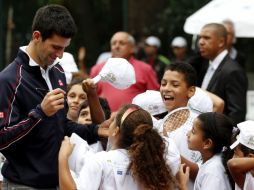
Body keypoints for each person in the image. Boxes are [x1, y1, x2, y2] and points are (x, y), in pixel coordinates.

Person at [0, 5, 108, 189]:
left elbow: (61, 125)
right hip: (23, 185)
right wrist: (40, 113)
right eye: (56, 47)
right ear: (36, 36)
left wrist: (96, 131)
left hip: (56, 183)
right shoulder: (9, 79)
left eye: (64, 48)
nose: (60, 55)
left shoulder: (57, 70)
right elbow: (3, 140)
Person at [58, 104, 177, 190]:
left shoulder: (101, 161)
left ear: (115, 131)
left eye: (113, 120)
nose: (109, 123)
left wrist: (63, 157)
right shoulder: (157, 164)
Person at [90, 31, 160, 112]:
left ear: (132, 48)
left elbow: (155, 98)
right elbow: (91, 97)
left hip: (136, 121)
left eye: (122, 43)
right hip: (103, 121)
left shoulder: (145, 69)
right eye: (114, 43)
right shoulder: (97, 69)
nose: (117, 46)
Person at [198, 23, 247, 124]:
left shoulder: (233, 71)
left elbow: (237, 114)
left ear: (221, 42)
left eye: (206, 38)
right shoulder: (206, 64)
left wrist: (224, 138)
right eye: (200, 37)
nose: (201, 42)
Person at [178, 112, 234, 190]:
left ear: (207, 143)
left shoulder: (213, 171)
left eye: (193, 131)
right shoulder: (212, 162)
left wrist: (183, 185)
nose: (188, 134)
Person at [227, 120, 254, 190]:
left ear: (250, 157)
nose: (232, 157)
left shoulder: (249, 179)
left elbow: (233, 164)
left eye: (236, 153)